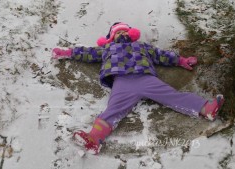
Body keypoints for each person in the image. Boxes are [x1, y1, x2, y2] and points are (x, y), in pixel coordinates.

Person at [51, 22, 225, 155]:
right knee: (112, 110)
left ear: (130, 33)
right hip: (122, 82)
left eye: (124, 30)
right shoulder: (107, 48)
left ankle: (206, 108)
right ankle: (94, 139)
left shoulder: (141, 46)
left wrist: (181, 60)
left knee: (172, 95)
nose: (121, 33)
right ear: (111, 37)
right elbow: (86, 53)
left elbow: (161, 55)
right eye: (117, 32)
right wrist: (67, 53)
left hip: (145, 77)